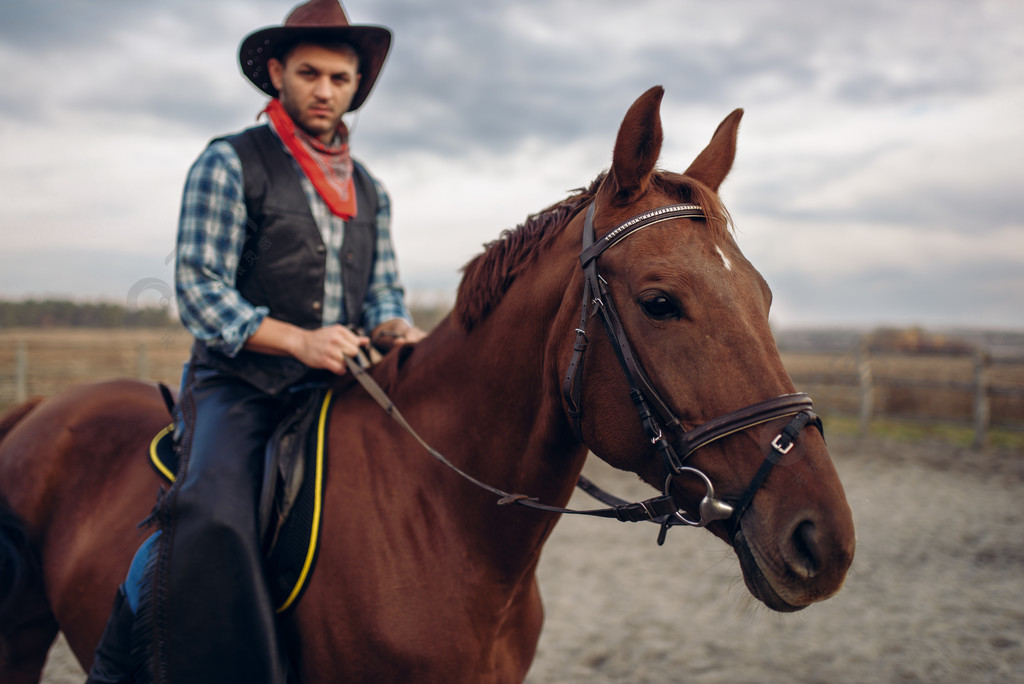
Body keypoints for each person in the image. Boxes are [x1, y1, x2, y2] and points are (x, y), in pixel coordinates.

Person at [86, 2, 424, 682]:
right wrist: (297, 341)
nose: (324, 90)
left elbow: (383, 290)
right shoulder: (229, 163)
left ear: (357, 84)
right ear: (276, 73)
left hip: (339, 383)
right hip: (242, 384)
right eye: (308, 73)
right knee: (211, 512)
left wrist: (398, 329)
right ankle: (134, 656)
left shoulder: (372, 190)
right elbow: (201, 289)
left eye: (339, 77)